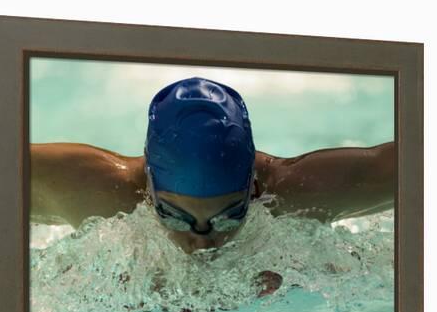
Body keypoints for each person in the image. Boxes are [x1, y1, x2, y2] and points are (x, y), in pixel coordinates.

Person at [31, 76, 394, 255]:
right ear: (148, 187)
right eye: (174, 216)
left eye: (229, 217)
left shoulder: (299, 195)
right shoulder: (94, 192)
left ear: (253, 188)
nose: (204, 245)